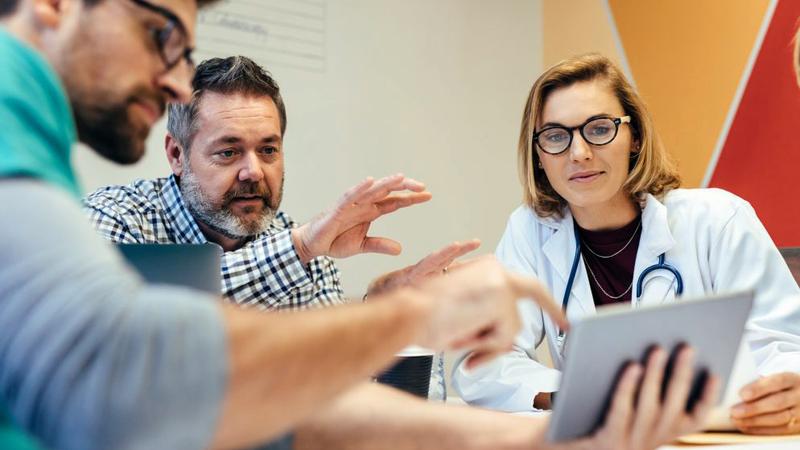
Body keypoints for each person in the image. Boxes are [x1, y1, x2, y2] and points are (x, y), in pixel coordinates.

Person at [0, 1, 717, 449]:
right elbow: (138, 360)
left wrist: (534, 440)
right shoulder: (97, 203)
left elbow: (304, 400)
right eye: (160, 32)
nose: (171, 79)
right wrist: (396, 310)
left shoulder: (40, 144)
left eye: (270, 148)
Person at [451, 53, 800, 435]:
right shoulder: (530, 231)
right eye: (555, 136)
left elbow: (785, 346)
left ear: (633, 137)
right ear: (539, 156)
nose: (579, 153)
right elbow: (482, 362)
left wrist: (783, 391)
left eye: (599, 129)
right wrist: (577, 393)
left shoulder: (719, 220)